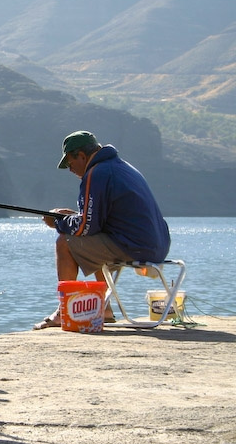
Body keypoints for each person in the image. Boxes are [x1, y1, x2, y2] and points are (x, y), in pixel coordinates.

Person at [34, 130, 170, 329]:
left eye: (70, 163)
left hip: (135, 247)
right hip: (156, 246)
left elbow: (86, 227)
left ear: (81, 156)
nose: (70, 169)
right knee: (94, 238)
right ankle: (104, 309)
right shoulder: (121, 167)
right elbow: (97, 221)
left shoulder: (96, 173)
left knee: (65, 242)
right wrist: (74, 217)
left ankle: (64, 311)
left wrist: (57, 222)